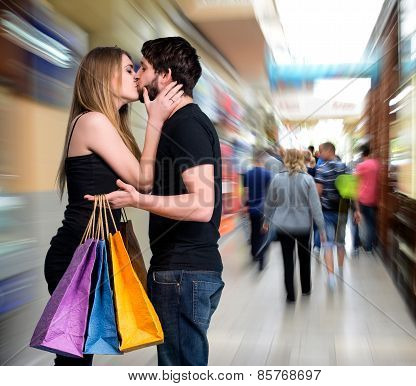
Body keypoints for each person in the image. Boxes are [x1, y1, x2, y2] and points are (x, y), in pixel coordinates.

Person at [87, 37, 223, 366]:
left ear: (163, 76)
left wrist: (138, 200)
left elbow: (202, 206)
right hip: (184, 272)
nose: (137, 75)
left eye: (143, 68)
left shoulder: (186, 125)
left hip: (183, 273)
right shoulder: (177, 123)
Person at [45, 46, 183, 366]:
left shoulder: (106, 124)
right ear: (103, 77)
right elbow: (143, 180)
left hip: (93, 253)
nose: (136, 75)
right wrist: (156, 121)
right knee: (75, 359)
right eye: (127, 69)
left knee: (79, 357)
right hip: (79, 255)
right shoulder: (93, 121)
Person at [264, 149, 326, 302]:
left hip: (284, 227)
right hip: (304, 226)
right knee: (305, 258)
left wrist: (266, 221)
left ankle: (290, 295)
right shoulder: (308, 180)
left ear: (285, 160)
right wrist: (322, 228)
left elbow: (270, 203)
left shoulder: (277, 178)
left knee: (287, 260)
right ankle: (306, 289)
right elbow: (316, 207)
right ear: (300, 160)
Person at [315, 142, 346, 289]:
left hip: (327, 212)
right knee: (340, 243)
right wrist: (357, 210)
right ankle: (340, 271)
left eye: (321, 151)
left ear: (329, 151)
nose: (320, 154)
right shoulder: (345, 167)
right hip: (342, 212)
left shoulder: (321, 169)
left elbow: (318, 193)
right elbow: (352, 191)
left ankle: (331, 277)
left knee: (327, 244)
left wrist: (315, 212)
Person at [243, 149, 272, 269]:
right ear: (263, 160)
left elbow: (245, 192)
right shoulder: (268, 174)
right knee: (264, 233)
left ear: (254, 159)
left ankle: (254, 254)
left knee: (254, 231)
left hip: (252, 208)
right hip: (264, 208)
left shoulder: (247, 173)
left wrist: (245, 205)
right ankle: (261, 258)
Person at [354, 143, 380, 252]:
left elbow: (355, 181)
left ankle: (356, 244)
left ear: (362, 154)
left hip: (361, 199)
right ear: (370, 152)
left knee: (355, 221)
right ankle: (369, 247)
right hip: (373, 199)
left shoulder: (361, 166)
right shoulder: (376, 164)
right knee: (370, 223)